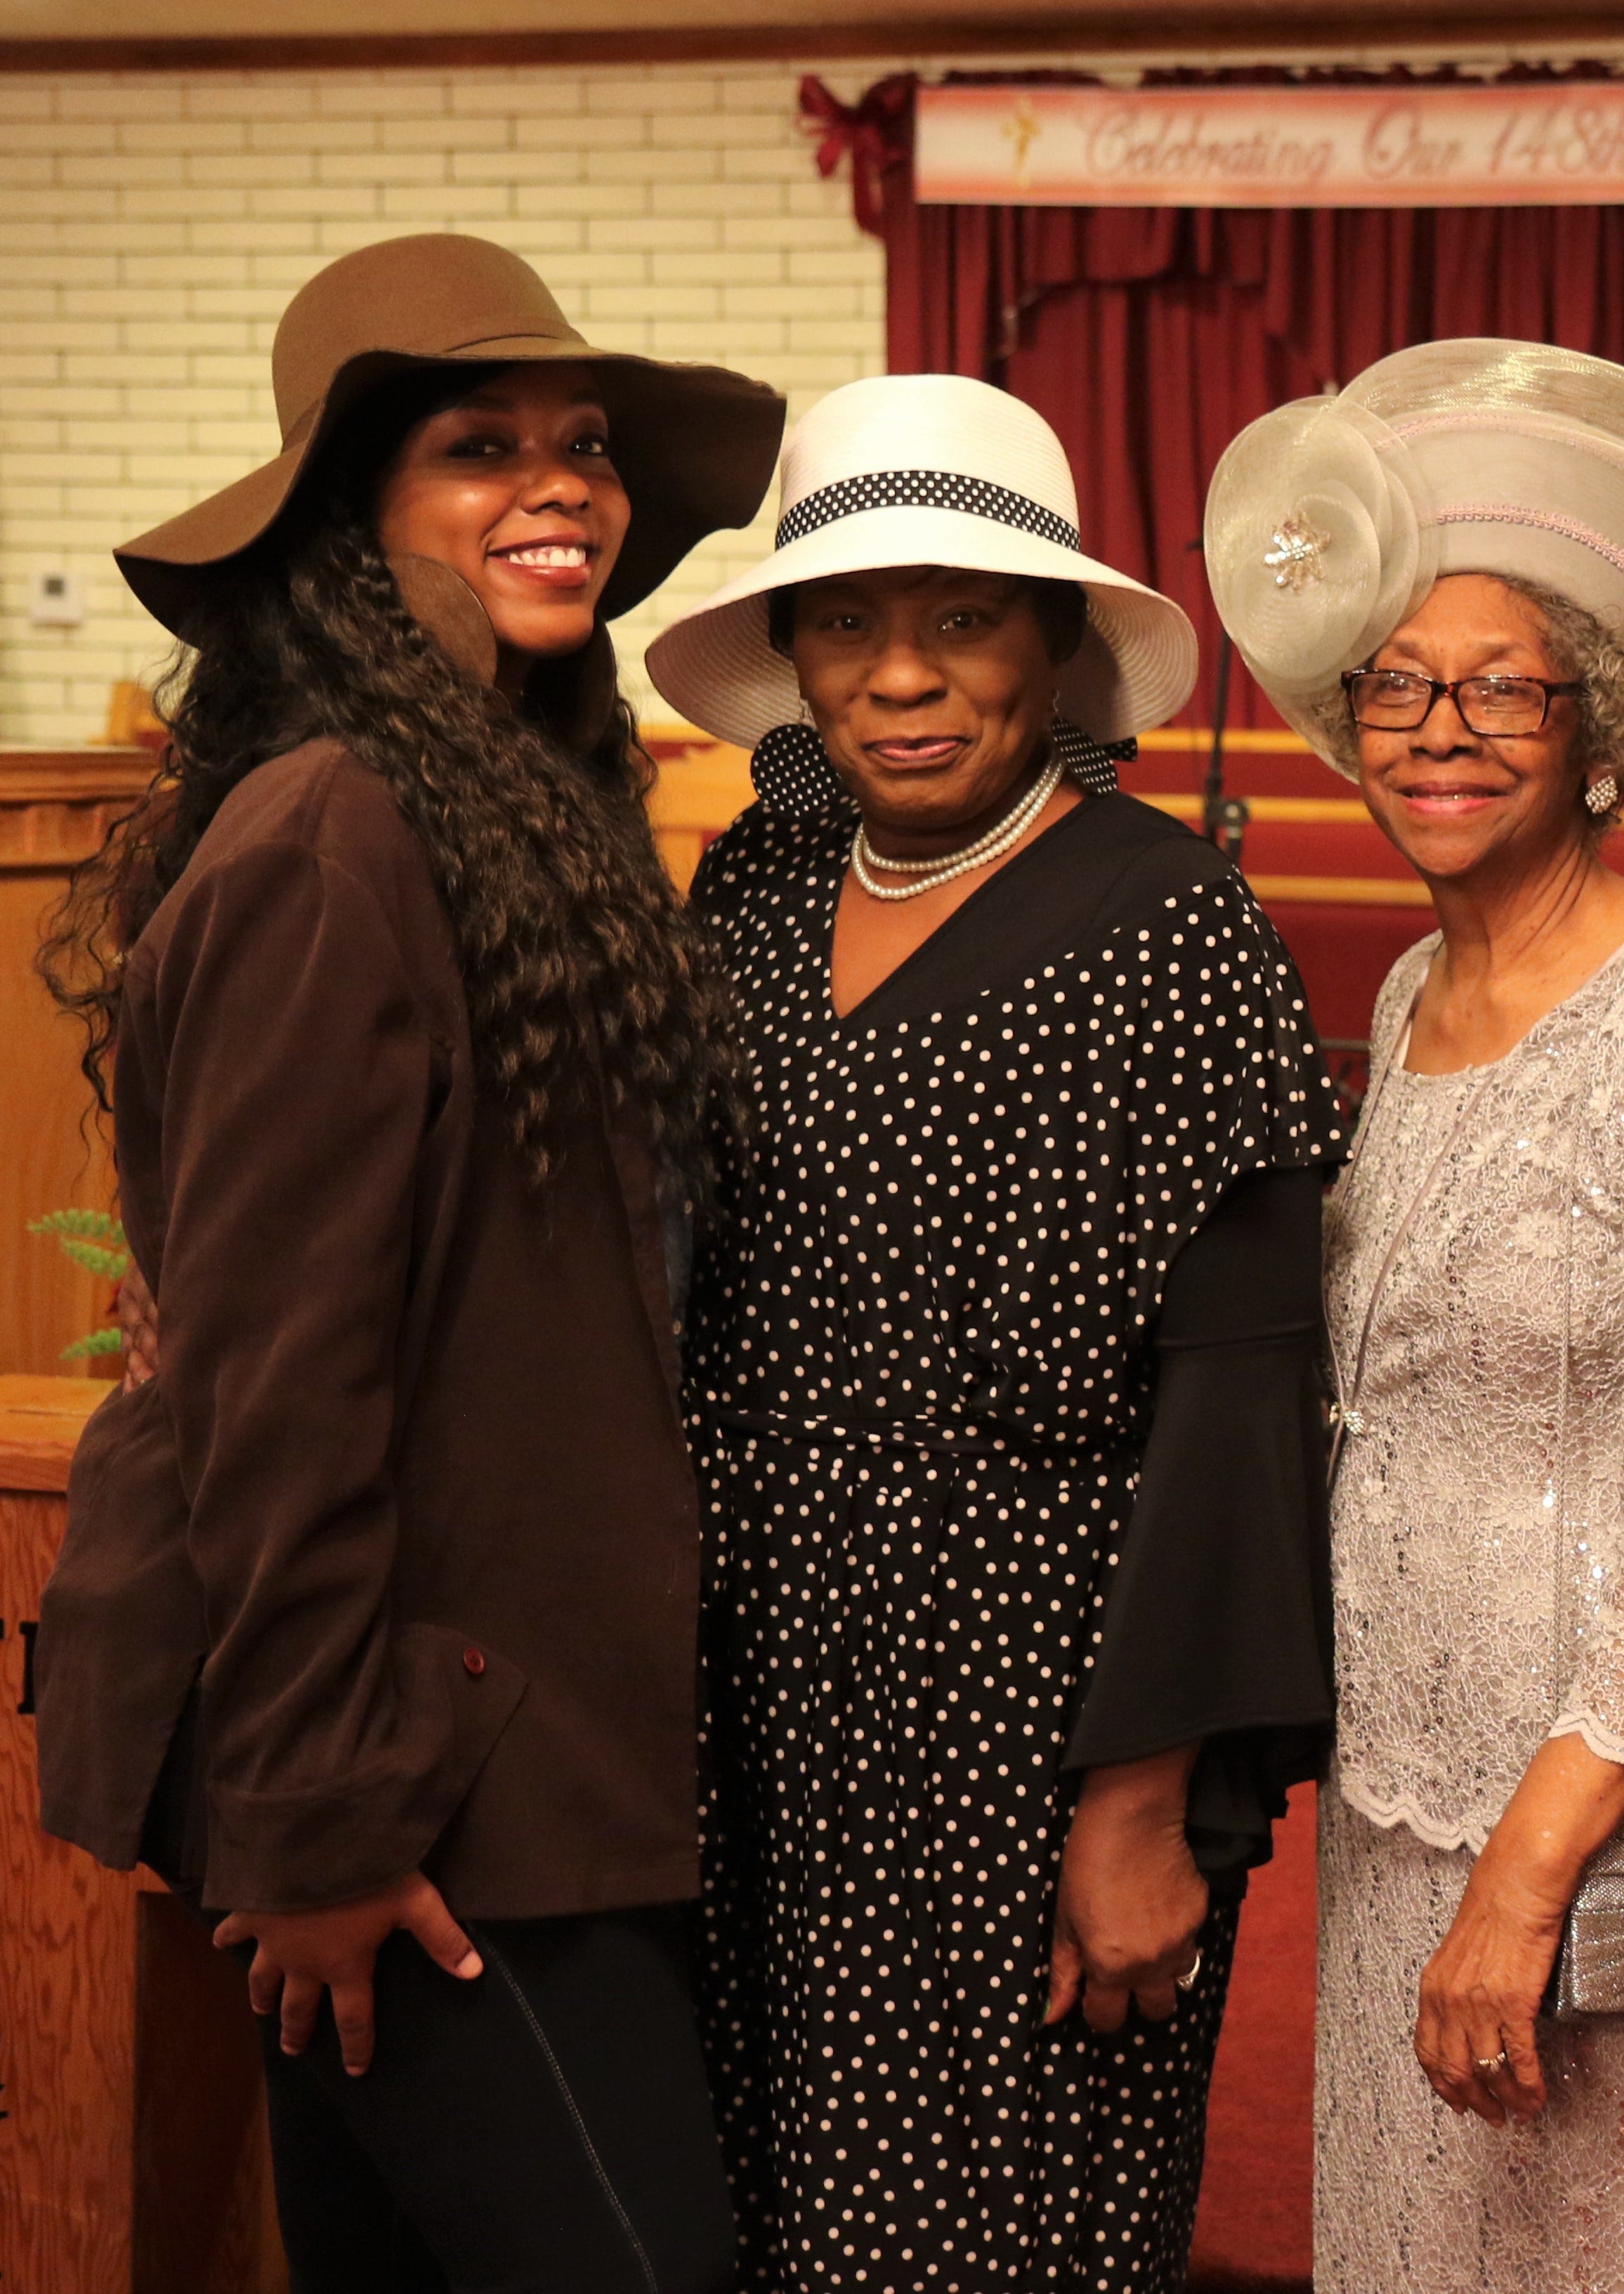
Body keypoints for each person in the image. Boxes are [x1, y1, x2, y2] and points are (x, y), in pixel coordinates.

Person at [32, 233, 782, 2290]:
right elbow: (278, 1391)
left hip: (504, 1740)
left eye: (584, 446)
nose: (561, 484)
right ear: (350, 524)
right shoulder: (332, 833)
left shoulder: (519, 814)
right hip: (422, 1777)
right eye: (479, 447)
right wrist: (328, 1818)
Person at [641, 372, 1342, 2293]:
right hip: (757, 1691)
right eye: (850, 621)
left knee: (989, 2235)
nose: (901, 675)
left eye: (962, 616)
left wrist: (1140, 1800)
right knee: (765, 2219)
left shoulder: (1175, 925)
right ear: (790, 651)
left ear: (1055, 644)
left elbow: (1236, 1405)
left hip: (1031, 1710)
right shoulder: (760, 889)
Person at [1203, 340, 1624, 2293]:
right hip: (1406, 1808)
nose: (1438, 727)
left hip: (1613, 1829)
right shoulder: (1403, 1000)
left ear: (1598, 723)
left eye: (1499, 686)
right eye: (1394, 682)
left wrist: (1535, 1867)